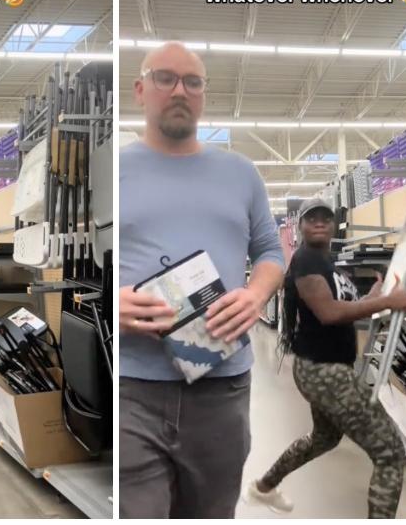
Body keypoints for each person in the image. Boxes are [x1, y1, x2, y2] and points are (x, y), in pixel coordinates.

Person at [118, 41, 285, 518]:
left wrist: (255, 295)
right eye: (165, 78)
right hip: (134, 387)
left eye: (192, 82)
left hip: (221, 389)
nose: (179, 90)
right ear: (140, 89)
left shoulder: (241, 173)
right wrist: (112, 303)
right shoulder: (113, 172)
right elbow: (87, 265)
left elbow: (271, 252)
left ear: (204, 95)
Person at [243, 198, 406, 518]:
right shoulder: (306, 261)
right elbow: (329, 313)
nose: (319, 222)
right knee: (389, 453)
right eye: (311, 218)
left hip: (321, 368)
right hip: (326, 372)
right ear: (301, 226)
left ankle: (263, 487)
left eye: (325, 218)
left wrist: (370, 299)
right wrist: (387, 301)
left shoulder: (325, 262)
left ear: (334, 225)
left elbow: (342, 307)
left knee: (324, 439)